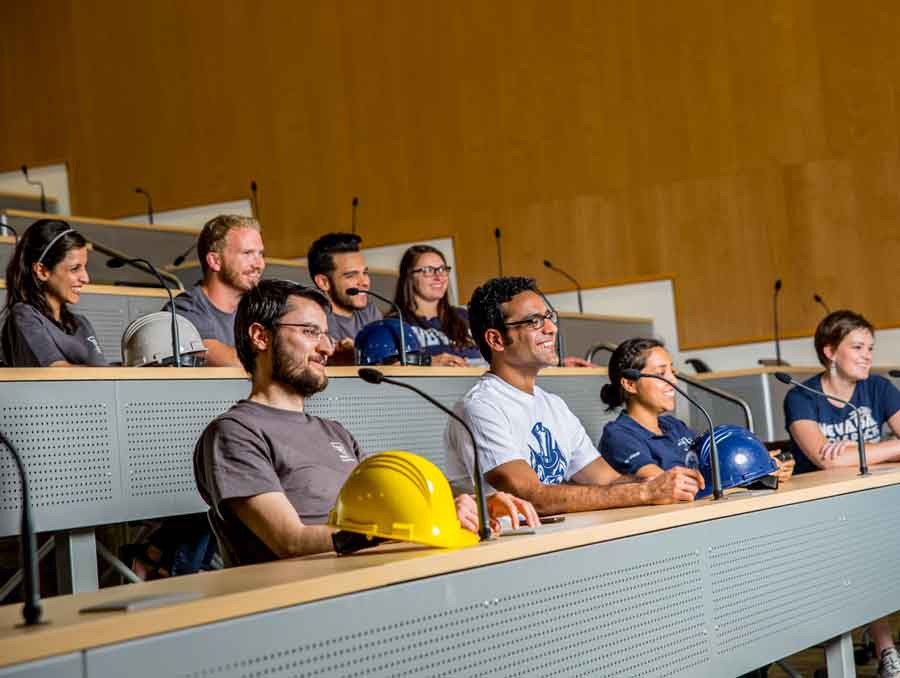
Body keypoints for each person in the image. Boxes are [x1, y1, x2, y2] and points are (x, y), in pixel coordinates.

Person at [193, 279, 537, 566]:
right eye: (310, 332)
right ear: (260, 337)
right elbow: (290, 541)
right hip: (304, 598)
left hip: (371, 573)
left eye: (326, 334)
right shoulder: (234, 433)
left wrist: (460, 509)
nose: (326, 347)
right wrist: (414, 527)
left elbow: (378, 514)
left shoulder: (334, 432)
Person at [444, 276, 705, 514]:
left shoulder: (553, 404)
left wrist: (663, 482)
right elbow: (532, 496)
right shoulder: (480, 408)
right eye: (535, 321)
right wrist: (646, 491)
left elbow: (609, 480)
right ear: (496, 340)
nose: (551, 328)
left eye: (549, 317)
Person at [784, 309, 900, 678]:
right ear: (830, 351)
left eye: (870, 347)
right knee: (861, 549)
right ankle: (886, 651)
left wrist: (861, 449)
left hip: (873, 501)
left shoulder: (879, 387)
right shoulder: (801, 396)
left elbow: (838, 457)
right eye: (858, 346)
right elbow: (823, 460)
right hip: (821, 512)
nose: (868, 355)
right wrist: (887, 445)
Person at [599, 337, 793, 484]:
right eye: (661, 374)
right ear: (630, 384)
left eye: (672, 372)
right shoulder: (618, 435)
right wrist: (750, 472)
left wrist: (762, 467)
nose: (673, 381)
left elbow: (714, 469)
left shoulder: (674, 426)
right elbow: (665, 485)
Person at [1, 219, 106, 367]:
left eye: (85, 267)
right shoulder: (25, 315)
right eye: (75, 268)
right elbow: (57, 373)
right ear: (42, 271)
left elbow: (105, 374)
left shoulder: (81, 323)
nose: (86, 278)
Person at [166, 214, 265, 367]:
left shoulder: (257, 307)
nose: (259, 264)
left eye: (261, 254)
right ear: (215, 261)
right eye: (247, 253)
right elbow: (231, 361)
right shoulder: (185, 309)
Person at [391, 245, 482, 367]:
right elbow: (388, 369)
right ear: (409, 276)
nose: (438, 277)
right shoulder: (394, 324)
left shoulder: (466, 316)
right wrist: (430, 362)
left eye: (442, 269)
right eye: (428, 270)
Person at [308, 233, 382, 353]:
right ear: (323, 282)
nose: (365, 282)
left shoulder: (369, 312)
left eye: (365, 273)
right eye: (351, 275)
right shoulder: (312, 318)